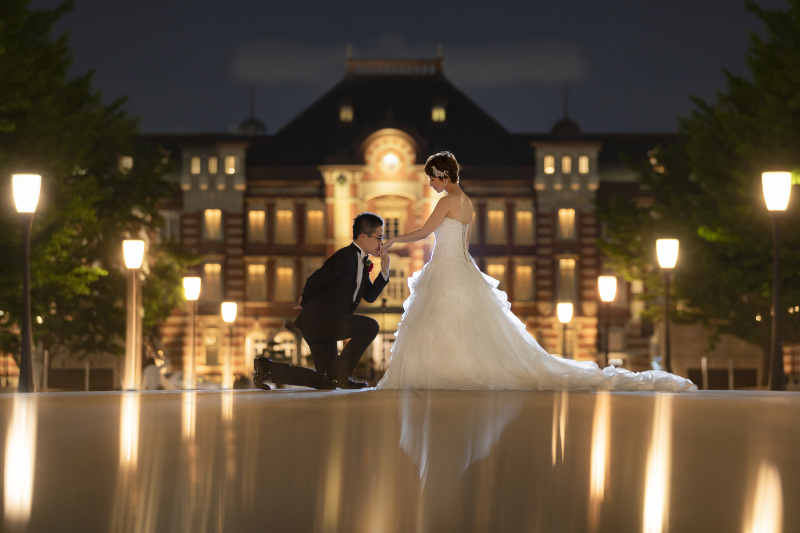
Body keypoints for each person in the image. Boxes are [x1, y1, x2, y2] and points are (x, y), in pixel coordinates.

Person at [376, 151, 696, 392]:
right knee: (466, 326)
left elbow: (424, 232)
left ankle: (444, 373)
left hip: (446, 267)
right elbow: (466, 244)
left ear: (444, 176)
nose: (430, 184)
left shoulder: (447, 201)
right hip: (460, 265)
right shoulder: (468, 203)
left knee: (440, 323)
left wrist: (392, 240)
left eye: (432, 179)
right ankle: (453, 372)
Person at [254, 213, 391, 390]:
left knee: (326, 381)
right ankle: (341, 375)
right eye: (379, 238)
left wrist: (384, 270)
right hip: (320, 321)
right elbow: (315, 279)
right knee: (370, 326)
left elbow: (370, 296)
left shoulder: (362, 261)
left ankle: (267, 370)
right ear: (363, 236)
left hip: (328, 324)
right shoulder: (345, 257)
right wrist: (304, 302)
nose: (381, 243)